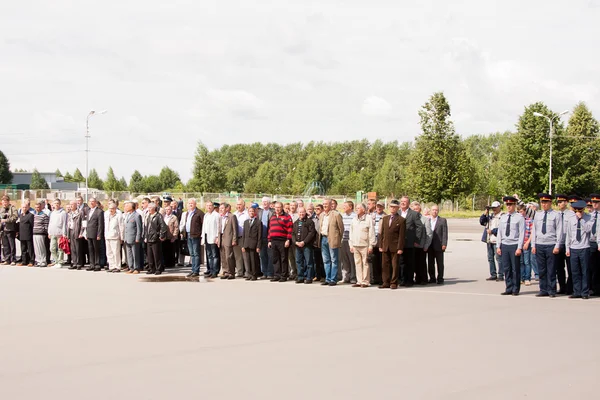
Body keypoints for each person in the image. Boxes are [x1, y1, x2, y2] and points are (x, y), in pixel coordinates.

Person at [529, 193, 560, 297]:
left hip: (551, 244)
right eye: (542, 202)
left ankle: (552, 290)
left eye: (546, 202)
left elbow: (559, 231)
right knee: (541, 269)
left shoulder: (556, 215)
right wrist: (533, 245)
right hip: (539, 244)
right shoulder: (538, 214)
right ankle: (543, 289)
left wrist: (557, 245)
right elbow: (534, 230)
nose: (544, 204)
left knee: (551, 269)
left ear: (550, 203)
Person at [564, 200, 594, 299]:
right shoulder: (571, 219)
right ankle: (576, 291)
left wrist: (581, 220)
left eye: (580, 211)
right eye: (576, 211)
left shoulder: (589, 218)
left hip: (584, 247)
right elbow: (568, 234)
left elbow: (588, 230)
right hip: (573, 248)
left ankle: (584, 292)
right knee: (574, 271)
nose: (578, 213)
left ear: (583, 210)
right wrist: (567, 248)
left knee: (585, 270)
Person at [496, 196, 525, 296]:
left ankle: (515, 288)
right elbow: (500, 232)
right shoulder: (503, 217)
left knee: (515, 268)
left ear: (515, 205)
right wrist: (498, 246)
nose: (509, 206)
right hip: (505, 244)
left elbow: (522, 233)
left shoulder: (519, 217)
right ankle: (508, 287)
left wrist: (519, 247)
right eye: (507, 204)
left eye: (511, 204)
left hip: (514, 244)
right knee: (506, 268)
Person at [378, 199, 406, 289]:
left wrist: (400, 248)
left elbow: (402, 235)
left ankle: (394, 282)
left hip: (395, 246)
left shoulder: (401, 220)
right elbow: (382, 233)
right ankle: (385, 282)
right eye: (391, 207)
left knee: (395, 265)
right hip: (385, 246)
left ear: (398, 208)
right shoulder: (385, 218)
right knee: (385, 265)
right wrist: (380, 245)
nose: (392, 208)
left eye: (394, 207)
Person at [349, 203, 376, 288]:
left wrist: (371, 245)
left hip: (365, 245)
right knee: (357, 263)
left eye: (358, 208)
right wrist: (351, 245)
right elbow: (351, 233)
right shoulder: (354, 219)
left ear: (364, 210)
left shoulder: (368, 219)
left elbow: (371, 233)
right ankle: (359, 280)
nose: (356, 209)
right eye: (356, 208)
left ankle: (365, 281)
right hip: (355, 244)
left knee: (365, 263)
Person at [398, 196, 424, 287]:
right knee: (401, 262)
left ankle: (409, 280)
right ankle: (401, 280)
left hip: (410, 242)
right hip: (399, 243)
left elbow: (419, 227)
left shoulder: (413, 214)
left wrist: (417, 240)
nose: (403, 203)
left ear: (408, 203)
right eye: (401, 201)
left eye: (405, 201)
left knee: (410, 262)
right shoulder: (397, 213)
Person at [318, 199, 344, 286]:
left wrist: (338, 239)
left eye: (326, 204)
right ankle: (327, 278)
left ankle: (333, 279)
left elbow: (341, 229)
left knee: (334, 260)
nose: (325, 205)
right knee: (326, 260)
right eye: (323, 204)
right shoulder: (321, 215)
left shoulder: (336, 215)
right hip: (323, 239)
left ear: (330, 205)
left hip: (332, 239)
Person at [555, 194, 575, 295]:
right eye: (558, 202)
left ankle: (570, 287)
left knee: (570, 267)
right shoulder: (556, 214)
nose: (559, 204)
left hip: (569, 243)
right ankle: (562, 287)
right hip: (559, 243)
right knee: (559, 268)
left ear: (566, 202)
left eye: (561, 202)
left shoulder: (571, 214)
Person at [268, 202, 293, 282]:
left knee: (283, 259)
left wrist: (288, 240)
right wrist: (269, 240)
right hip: (273, 240)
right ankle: (277, 275)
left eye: (279, 207)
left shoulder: (287, 217)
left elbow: (290, 229)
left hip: (283, 240)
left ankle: (283, 276)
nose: (277, 209)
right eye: (276, 207)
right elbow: (270, 229)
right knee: (275, 259)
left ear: (282, 207)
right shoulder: (272, 217)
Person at [480, 201, 504, 281]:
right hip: (489, 240)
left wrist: (493, 231)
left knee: (499, 258)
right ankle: (493, 274)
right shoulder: (490, 216)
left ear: (499, 207)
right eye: (492, 208)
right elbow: (482, 221)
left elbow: (502, 229)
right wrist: (485, 212)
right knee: (490, 258)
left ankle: (501, 274)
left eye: (495, 208)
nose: (494, 209)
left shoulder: (502, 216)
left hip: (497, 240)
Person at [292, 206, 316, 284]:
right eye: (300, 212)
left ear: (305, 212)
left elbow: (311, 233)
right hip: (297, 245)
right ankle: (300, 277)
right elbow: (293, 234)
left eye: (303, 212)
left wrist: (304, 242)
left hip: (306, 245)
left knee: (309, 262)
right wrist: (295, 242)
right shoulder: (295, 222)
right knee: (299, 262)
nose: (301, 214)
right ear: (298, 213)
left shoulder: (309, 222)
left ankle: (309, 277)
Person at [182, 199, 204, 278]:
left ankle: (196, 270)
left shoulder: (199, 213)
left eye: (192, 203)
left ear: (195, 204)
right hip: (188, 234)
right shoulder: (188, 213)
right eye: (189, 203)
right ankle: (193, 269)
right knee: (192, 254)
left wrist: (201, 235)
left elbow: (203, 225)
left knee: (196, 253)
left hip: (195, 236)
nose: (190, 205)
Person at [411, 201, 432, 285]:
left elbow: (429, 233)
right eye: (414, 209)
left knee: (421, 264)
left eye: (417, 209)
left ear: (420, 209)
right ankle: (415, 278)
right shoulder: (410, 218)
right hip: (411, 245)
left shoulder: (425, 219)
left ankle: (423, 279)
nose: (415, 210)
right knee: (413, 263)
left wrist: (426, 245)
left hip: (421, 246)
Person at [426, 204, 448, 284]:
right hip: (429, 245)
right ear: (430, 211)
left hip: (439, 244)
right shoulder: (427, 220)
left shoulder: (442, 220)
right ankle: (432, 278)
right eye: (433, 210)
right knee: (430, 262)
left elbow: (445, 233)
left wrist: (444, 244)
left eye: (436, 210)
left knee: (440, 263)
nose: (435, 211)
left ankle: (440, 278)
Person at [144, 203, 167, 275]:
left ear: (154, 208)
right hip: (149, 238)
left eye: (150, 208)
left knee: (157, 254)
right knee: (150, 255)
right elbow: (146, 228)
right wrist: (145, 236)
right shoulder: (148, 216)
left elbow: (163, 227)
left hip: (155, 238)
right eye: (148, 207)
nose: (148, 209)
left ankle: (158, 268)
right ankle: (151, 268)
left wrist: (161, 236)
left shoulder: (158, 216)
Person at [242, 205, 262, 281]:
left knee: (254, 260)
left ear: (255, 212)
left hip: (254, 244)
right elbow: (244, 234)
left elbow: (259, 235)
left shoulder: (258, 222)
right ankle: (249, 274)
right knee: (247, 260)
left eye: (252, 211)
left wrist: (258, 246)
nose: (251, 213)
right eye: (250, 211)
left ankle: (254, 274)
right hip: (246, 243)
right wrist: (243, 245)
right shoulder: (246, 222)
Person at [83, 198, 104, 272]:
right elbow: (86, 223)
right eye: (90, 201)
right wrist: (85, 233)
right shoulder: (88, 211)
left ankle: (97, 264)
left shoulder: (99, 211)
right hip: (89, 233)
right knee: (90, 250)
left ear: (95, 203)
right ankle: (92, 264)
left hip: (95, 234)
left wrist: (99, 234)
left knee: (96, 250)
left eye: (93, 202)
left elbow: (100, 224)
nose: (91, 203)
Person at [218, 203, 237, 279]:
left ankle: (231, 273)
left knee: (229, 256)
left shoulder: (231, 216)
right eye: (220, 208)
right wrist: (218, 239)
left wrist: (234, 239)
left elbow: (235, 229)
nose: (221, 210)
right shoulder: (220, 217)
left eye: (222, 208)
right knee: (223, 256)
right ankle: (225, 271)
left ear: (226, 209)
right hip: (221, 238)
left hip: (229, 238)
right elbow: (219, 229)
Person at [123, 201, 143, 274]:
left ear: (132, 207)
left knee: (135, 254)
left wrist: (138, 237)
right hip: (127, 238)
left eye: (127, 206)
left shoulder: (137, 215)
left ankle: (136, 268)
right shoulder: (128, 215)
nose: (126, 207)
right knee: (129, 254)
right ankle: (131, 267)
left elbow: (139, 228)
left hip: (134, 238)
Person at [201, 201, 220, 278]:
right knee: (209, 255)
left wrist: (217, 237)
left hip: (213, 237)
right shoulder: (206, 215)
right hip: (206, 236)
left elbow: (218, 227)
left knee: (215, 255)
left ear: (213, 206)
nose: (209, 207)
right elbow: (204, 227)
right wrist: (202, 237)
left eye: (210, 205)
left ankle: (215, 271)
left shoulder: (216, 215)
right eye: (207, 205)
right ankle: (211, 270)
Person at [340, 201, 357, 284]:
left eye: (345, 206)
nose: (343, 208)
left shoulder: (355, 216)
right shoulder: (342, 216)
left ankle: (353, 277)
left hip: (351, 241)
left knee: (352, 259)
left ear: (350, 207)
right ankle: (346, 276)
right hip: (343, 240)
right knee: (344, 260)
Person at [369, 201, 386, 285]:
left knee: (381, 261)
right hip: (373, 240)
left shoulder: (385, 216)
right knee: (373, 261)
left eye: (381, 207)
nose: (379, 208)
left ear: (383, 207)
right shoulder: (371, 215)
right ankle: (375, 278)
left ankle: (382, 279)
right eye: (377, 206)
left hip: (381, 241)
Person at [257, 196, 274, 279]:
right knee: (262, 255)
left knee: (270, 255)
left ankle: (270, 273)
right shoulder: (260, 212)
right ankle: (264, 272)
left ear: (269, 203)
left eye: (266, 202)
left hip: (269, 237)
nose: (264, 203)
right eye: (263, 202)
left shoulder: (272, 212)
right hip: (261, 237)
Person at [48, 199, 68, 268]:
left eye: (57, 203)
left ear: (60, 204)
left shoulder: (63, 213)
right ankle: (56, 261)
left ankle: (60, 262)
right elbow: (50, 223)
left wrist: (64, 233)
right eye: (55, 203)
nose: (56, 204)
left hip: (60, 233)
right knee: (52, 248)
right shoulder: (52, 213)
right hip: (53, 233)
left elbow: (64, 224)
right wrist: (49, 232)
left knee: (60, 249)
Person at [104, 202, 124, 272]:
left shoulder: (118, 215)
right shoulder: (106, 215)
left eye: (112, 208)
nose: (111, 210)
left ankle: (117, 266)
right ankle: (111, 266)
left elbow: (121, 226)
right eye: (109, 208)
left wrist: (122, 237)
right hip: (107, 236)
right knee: (109, 253)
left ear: (115, 209)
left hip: (115, 236)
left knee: (116, 252)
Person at [587, 193, 600, 296]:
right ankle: (592, 287)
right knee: (591, 266)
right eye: (593, 202)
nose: (594, 204)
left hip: (599, 243)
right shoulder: (590, 216)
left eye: (596, 202)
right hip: (591, 242)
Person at [517, 204, 534, 286]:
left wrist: (528, 242)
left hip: (526, 243)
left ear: (525, 211)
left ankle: (527, 278)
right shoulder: (517, 220)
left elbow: (532, 233)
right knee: (520, 262)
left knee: (527, 262)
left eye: (521, 211)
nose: (520, 213)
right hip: (519, 244)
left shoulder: (529, 220)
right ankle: (522, 278)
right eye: (519, 212)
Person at [233, 198, 249, 278]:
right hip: (236, 237)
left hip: (244, 237)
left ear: (244, 205)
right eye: (237, 204)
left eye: (240, 204)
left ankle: (247, 272)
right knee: (238, 256)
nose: (238, 206)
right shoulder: (234, 214)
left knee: (245, 256)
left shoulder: (247, 214)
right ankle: (240, 271)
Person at [0, 195, 18, 265]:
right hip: (3, 229)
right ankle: (7, 259)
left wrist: (6, 220)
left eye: (5, 202)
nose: (4, 204)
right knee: (5, 245)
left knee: (12, 245)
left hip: (10, 229)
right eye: (3, 202)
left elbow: (15, 217)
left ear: (8, 202)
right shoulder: (1, 209)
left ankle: (13, 259)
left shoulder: (12, 208)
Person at [17, 201, 34, 266]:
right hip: (22, 234)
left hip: (28, 234)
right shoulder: (21, 215)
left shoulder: (30, 215)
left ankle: (31, 261)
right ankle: (24, 261)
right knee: (23, 248)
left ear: (28, 208)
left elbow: (32, 225)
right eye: (23, 207)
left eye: (25, 207)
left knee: (30, 249)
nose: (24, 208)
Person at [32, 201, 49, 267]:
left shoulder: (44, 215)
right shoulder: (35, 215)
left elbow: (46, 225)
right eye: (36, 207)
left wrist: (44, 232)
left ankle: (43, 261)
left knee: (41, 248)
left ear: (41, 207)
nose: (37, 209)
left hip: (41, 234)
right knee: (36, 248)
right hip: (34, 233)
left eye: (38, 207)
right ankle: (38, 261)